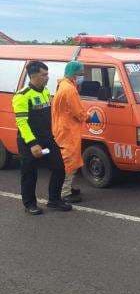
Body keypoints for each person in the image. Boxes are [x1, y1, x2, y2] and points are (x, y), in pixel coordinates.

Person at [12, 61, 71, 214]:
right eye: (44, 75)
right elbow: (22, 123)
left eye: (47, 74)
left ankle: (54, 200)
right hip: (29, 142)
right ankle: (29, 205)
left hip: (47, 140)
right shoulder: (22, 96)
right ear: (33, 76)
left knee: (59, 167)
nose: (47, 77)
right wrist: (32, 143)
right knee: (29, 173)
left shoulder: (44, 91)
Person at [51, 60, 88, 203]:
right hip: (68, 131)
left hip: (63, 128)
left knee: (68, 159)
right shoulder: (70, 90)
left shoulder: (63, 85)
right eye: (80, 74)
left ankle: (67, 187)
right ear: (74, 74)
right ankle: (65, 192)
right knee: (69, 161)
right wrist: (89, 116)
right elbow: (79, 112)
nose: (82, 77)